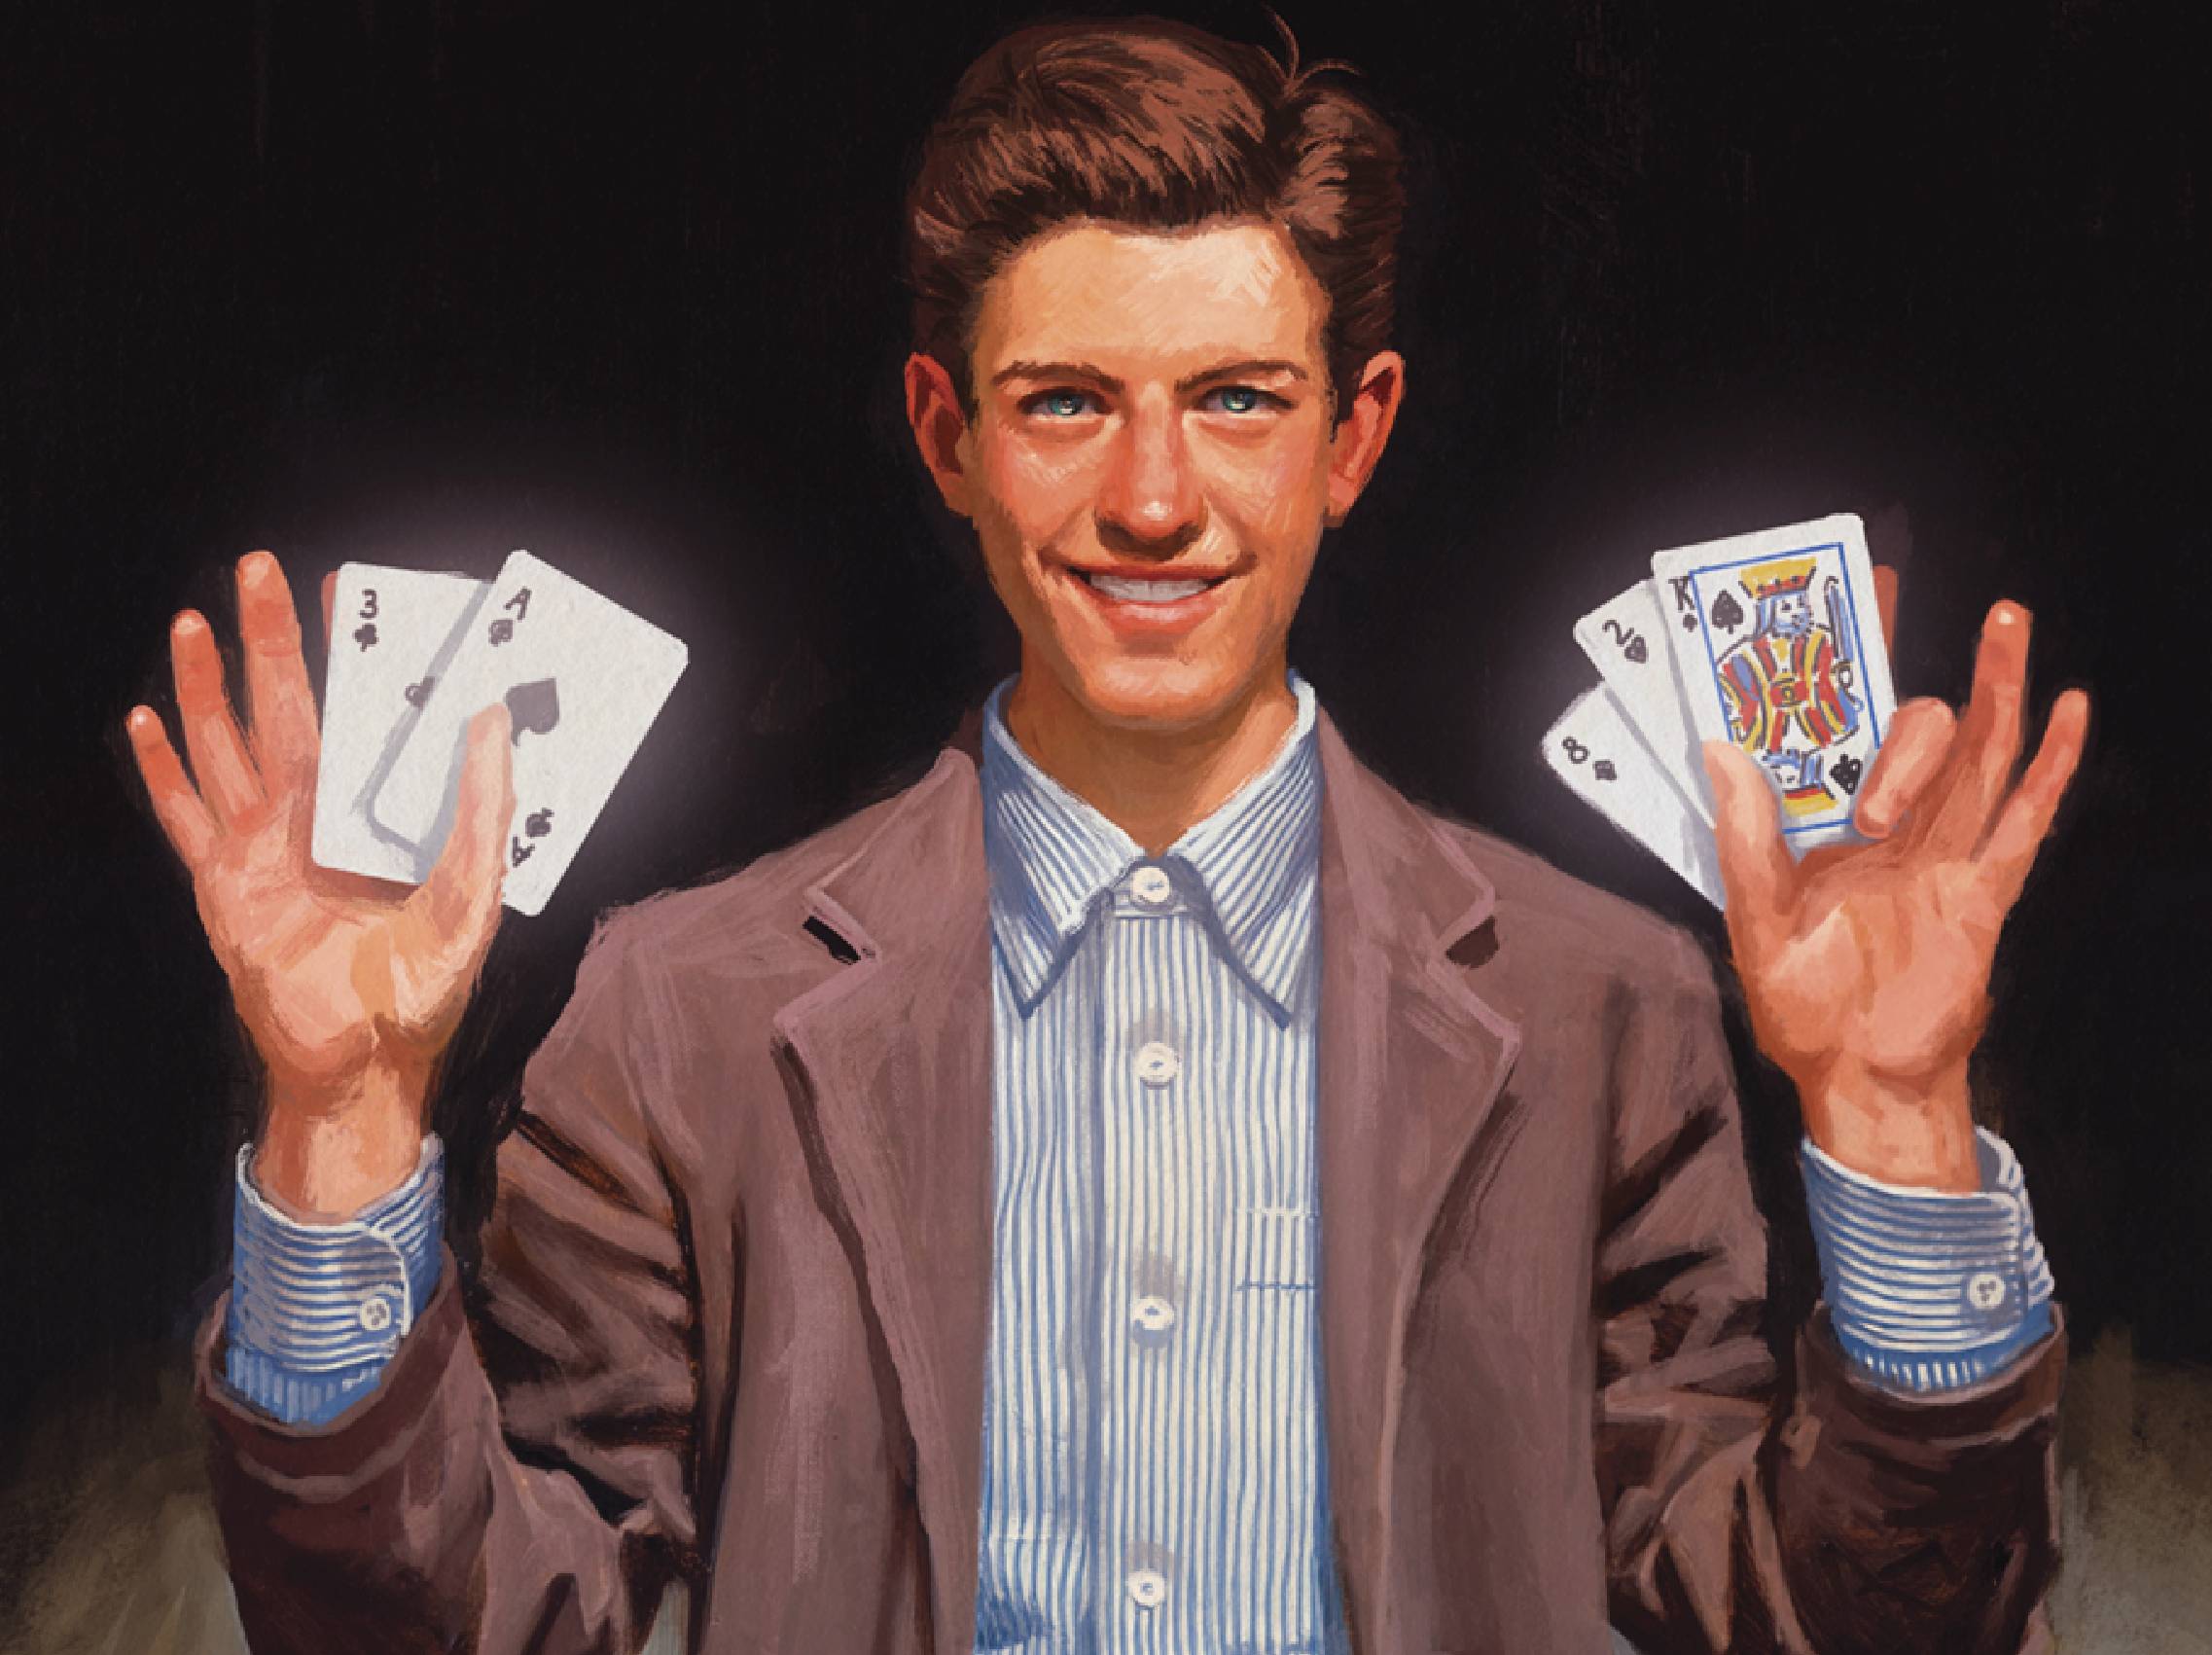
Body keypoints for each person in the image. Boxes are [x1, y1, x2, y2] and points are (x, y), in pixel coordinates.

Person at [126, 17, 2089, 1655]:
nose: (1155, 496)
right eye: (1067, 401)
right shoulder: (674, 1021)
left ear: (1353, 435)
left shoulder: (1611, 1009)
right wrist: (341, 1123)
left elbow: (1833, 1624)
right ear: (947, 435)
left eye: (1237, 399)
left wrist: (1898, 1115)